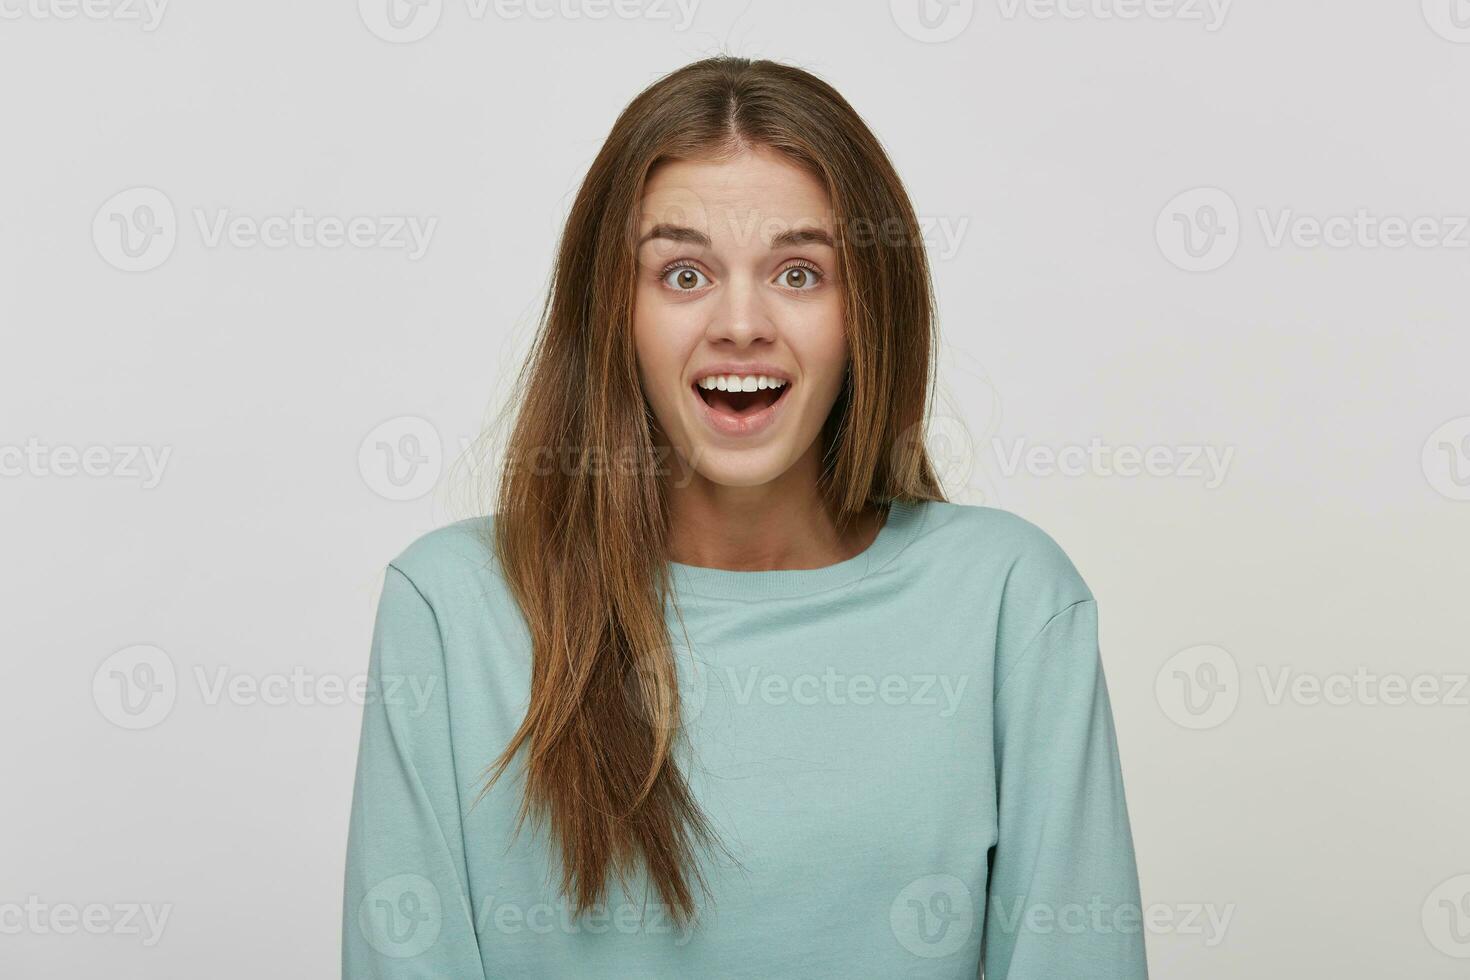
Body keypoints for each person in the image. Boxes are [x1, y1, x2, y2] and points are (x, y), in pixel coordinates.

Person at [342, 54, 1148, 979]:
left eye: (800, 274)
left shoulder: (1010, 603)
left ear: (868, 312)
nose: (740, 322)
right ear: (613, 313)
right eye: (682, 274)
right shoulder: (452, 608)